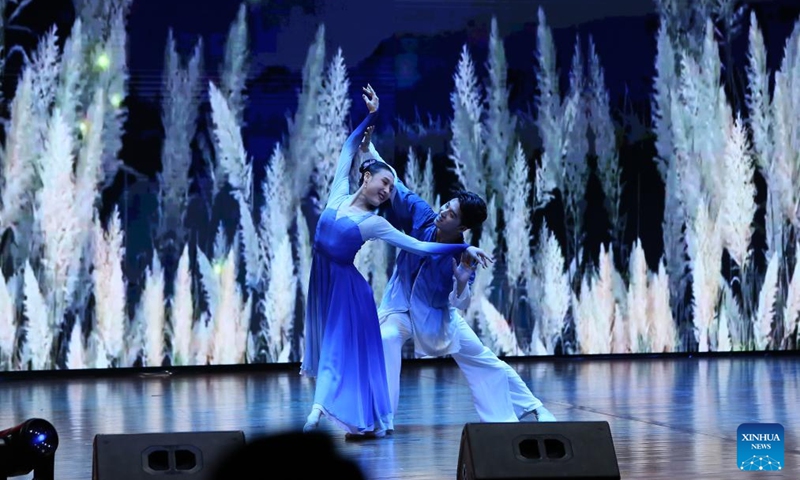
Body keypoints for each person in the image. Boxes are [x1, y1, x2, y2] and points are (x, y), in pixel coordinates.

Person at [299, 85, 492, 439]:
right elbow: (348, 148)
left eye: (391, 187)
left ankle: (317, 410)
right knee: (344, 345)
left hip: (354, 292)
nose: (388, 191)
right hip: (325, 282)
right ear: (366, 176)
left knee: (334, 347)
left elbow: (419, 248)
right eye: (383, 183)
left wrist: (463, 252)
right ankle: (374, 419)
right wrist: (371, 116)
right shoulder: (338, 193)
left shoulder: (375, 222)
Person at [358, 134, 558, 425]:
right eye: (445, 206)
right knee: (386, 339)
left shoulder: (464, 256)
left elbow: (459, 302)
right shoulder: (423, 217)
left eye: (450, 214)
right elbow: (394, 182)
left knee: (485, 360)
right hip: (399, 307)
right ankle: (382, 419)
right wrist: (369, 150)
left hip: (437, 317)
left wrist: (463, 280)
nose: (442, 213)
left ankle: (534, 408)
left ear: (462, 226)